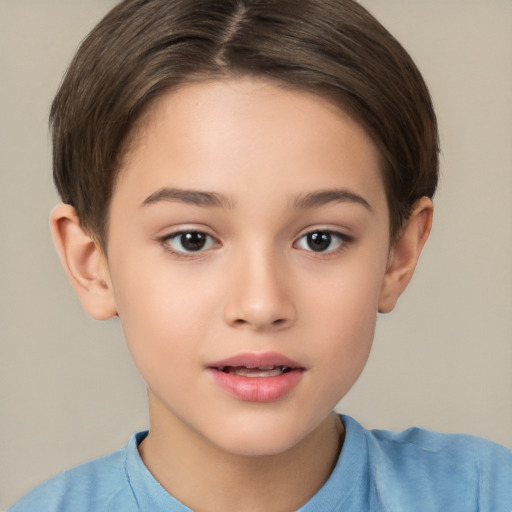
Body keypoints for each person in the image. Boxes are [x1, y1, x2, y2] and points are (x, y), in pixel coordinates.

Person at [8, 0, 512, 510]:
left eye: (321, 239)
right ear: (91, 264)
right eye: (191, 239)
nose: (260, 303)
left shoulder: (486, 495)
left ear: (398, 255)